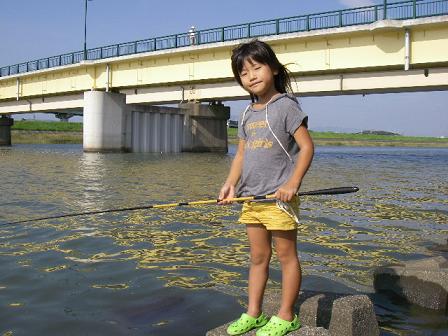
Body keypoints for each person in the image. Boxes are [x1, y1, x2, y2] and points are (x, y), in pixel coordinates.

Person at [218, 39, 314, 336]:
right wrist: (230, 184)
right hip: (251, 199)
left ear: (272, 68)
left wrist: (292, 183)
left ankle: (286, 316)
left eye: (257, 68)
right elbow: (242, 155)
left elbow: (307, 148)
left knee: (287, 256)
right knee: (258, 258)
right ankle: (254, 313)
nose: (251, 76)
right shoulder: (247, 114)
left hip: (279, 200)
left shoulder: (286, 106)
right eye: (244, 74)